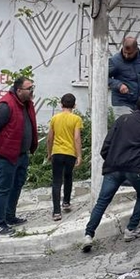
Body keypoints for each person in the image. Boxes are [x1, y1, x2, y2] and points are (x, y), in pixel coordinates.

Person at [81, 95, 140, 252]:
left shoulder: (122, 119)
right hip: (137, 170)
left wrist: (110, 160)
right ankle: (131, 229)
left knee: (102, 202)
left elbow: (106, 145)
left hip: (113, 168)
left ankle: (88, 234)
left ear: (136, 106)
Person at [0, 76, 38, 235]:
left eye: (32, 87)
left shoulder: (26, 104)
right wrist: (1, 147)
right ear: (19, 90)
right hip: (6, 156)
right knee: (3, 189)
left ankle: (10, 216)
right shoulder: (6, 106)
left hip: (22, 155)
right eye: (29, 88)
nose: (32, 91)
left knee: (17, 186)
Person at [46, 93, 83, 221]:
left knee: (56, 181)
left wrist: (49, 153)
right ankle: (66, 202)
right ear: (74, 105)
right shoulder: (76, 119)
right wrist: (79, 155)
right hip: (70, 153)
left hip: (57, 152)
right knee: (68, 176)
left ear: (61, 104)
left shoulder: (55, 118)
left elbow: (49, 138)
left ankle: (56, 212)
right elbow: (77, 138)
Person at [108, 36, 140, 118]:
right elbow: (104, 78)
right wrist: (119, 85)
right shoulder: (115, 60)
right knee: (126, 123)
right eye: (124, 52)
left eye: (129, 53)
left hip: (139, 101)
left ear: (136, 50)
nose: (126, 55)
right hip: (121, 101)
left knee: (139, 124)